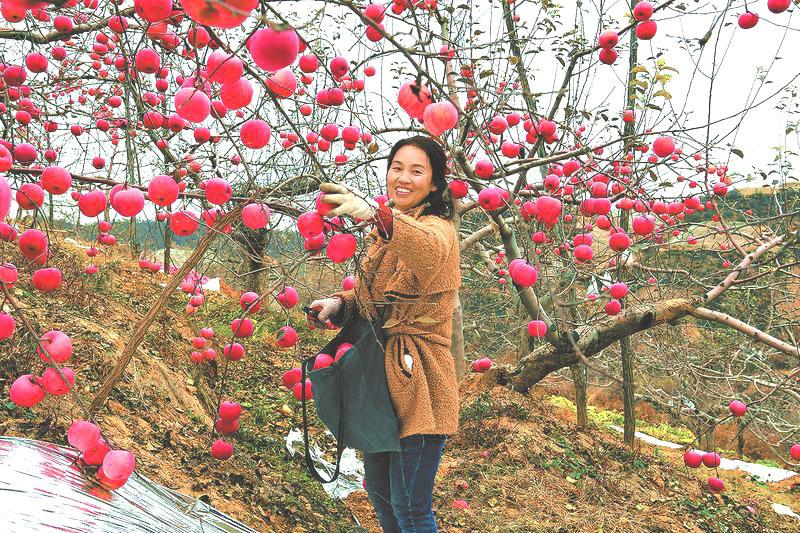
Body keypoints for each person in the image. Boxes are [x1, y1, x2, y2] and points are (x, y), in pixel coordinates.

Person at [307, 135, 461, 532]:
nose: (403, 178)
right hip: (381, 383)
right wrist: (339, 305)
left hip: (419, 385)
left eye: (417, 171)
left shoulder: (439, 231)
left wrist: (379, 216)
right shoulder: (385, 235)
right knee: (379, 489)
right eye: (397, 168)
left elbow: (426, 250)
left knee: (410, 505)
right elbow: (369, 299)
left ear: (435, 183)